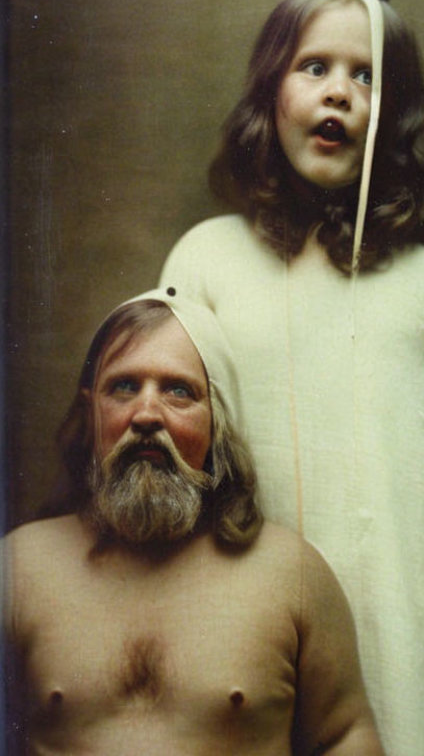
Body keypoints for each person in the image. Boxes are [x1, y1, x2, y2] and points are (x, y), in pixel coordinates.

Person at [158, 0, 424, 754]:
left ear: (395, 120)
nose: (339, 93)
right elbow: (171, 421)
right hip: (249, 581)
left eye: (366, 77)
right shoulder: (207, 258)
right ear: (268, 94)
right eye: (314, 67)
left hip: (399, 586)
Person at [3, 288, 383, 755]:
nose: (146, 413)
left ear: (216, 420)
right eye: (123, 387)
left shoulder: (292, 574)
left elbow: (345, 736)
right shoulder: (20, 568)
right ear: (91, 411)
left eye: (178, 391)